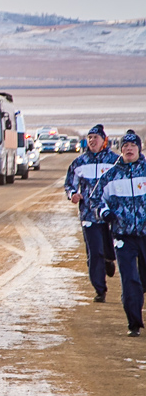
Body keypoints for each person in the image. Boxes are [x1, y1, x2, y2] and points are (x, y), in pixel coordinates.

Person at [90, 130, 146, 337]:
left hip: (145, 233)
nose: (129, 149)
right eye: (125, 147)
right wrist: (105, 213)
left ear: (139, 149)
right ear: (121, 150)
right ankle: (134, 323)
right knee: (130, 279)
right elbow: (95, 199)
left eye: (132, 146)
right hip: (123, 236)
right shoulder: (111, 175)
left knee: (142, 280)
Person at [64, 124, 120, 303]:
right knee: (94, 252)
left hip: (110, 215)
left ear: (104, 141)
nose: (92, 141)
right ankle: (100, 289)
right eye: (90, 138)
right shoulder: (80, 162)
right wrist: (73, 194)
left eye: (96, 138)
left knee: (109, 250)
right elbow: (69, 184)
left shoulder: (114, 161)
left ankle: (109, 260)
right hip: (89, 215)